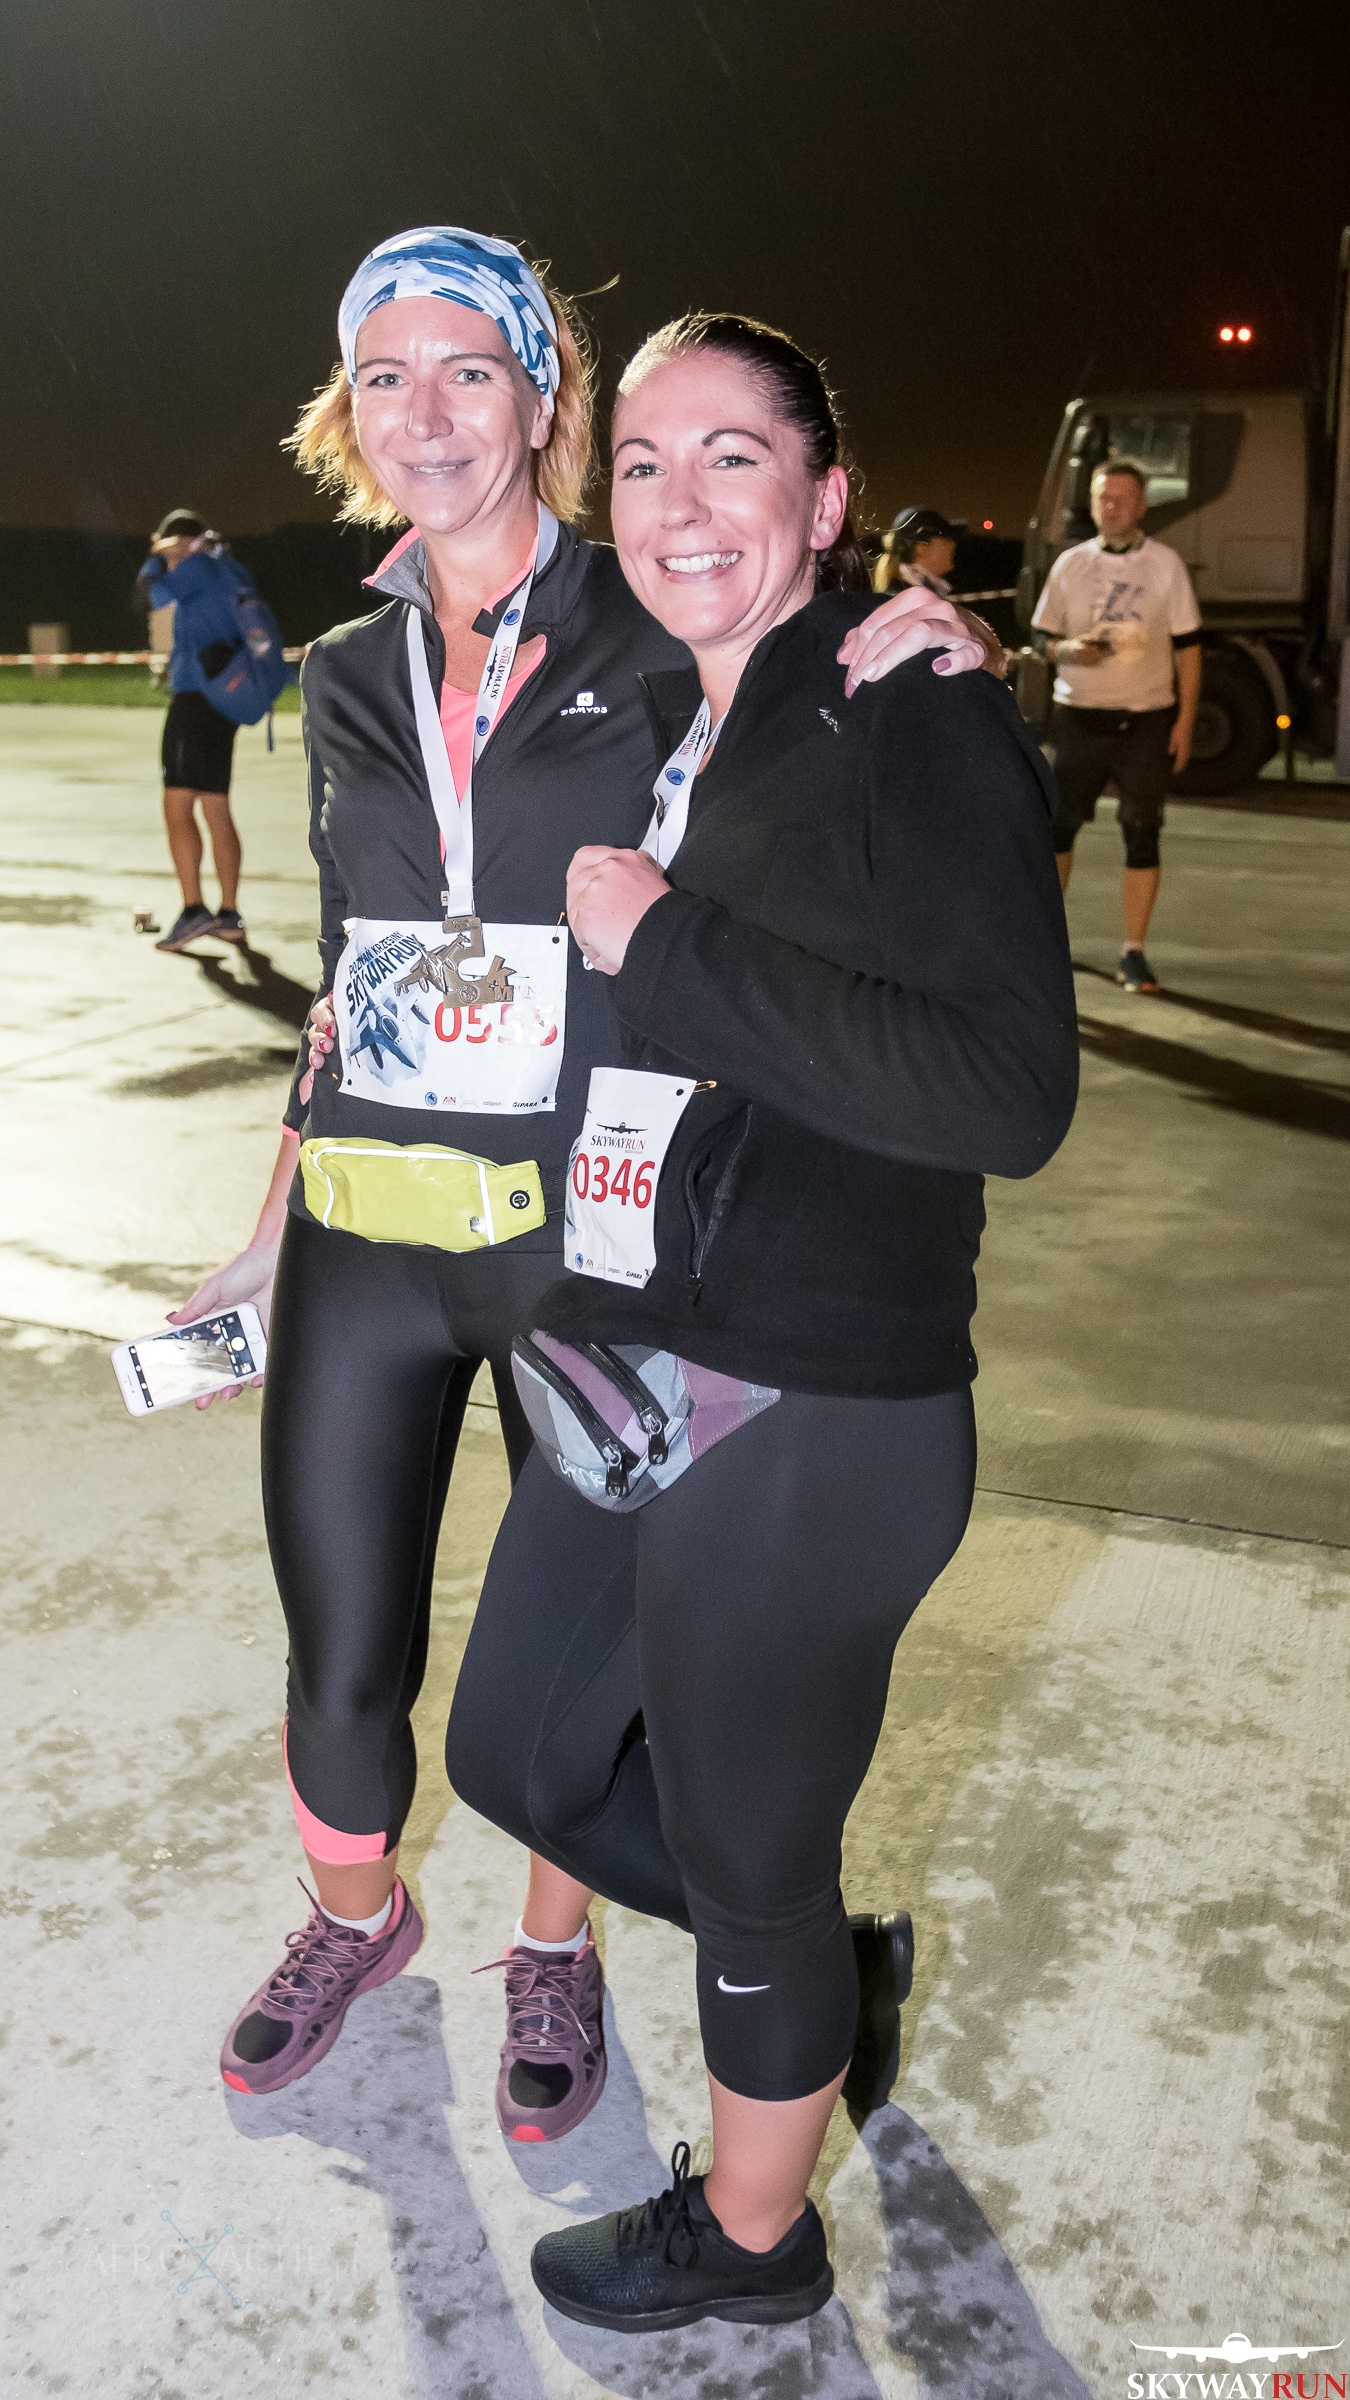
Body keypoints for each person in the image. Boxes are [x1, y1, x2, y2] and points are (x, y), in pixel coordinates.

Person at [167, 227, 994, 2112]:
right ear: (348, 415)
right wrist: (266, 1224)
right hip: (373, 1225)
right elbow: (348, 971)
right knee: (340, 1648)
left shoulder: (655, 614)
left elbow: (808, 693)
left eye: (471, 370)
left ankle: (554, 1954)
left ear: (542, 399)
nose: (427, 414)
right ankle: (355, 1916)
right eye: (387, 378)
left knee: (566, 1673)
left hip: (593, 1236)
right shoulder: (347, 669)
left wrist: (933, 641)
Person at [445, 312, 1078, 2333]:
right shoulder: (658, 712)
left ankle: (753, 2235)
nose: (680, 499)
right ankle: (818, 1974)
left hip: (815, 1398)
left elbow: (1010, 1092)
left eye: (736, 455)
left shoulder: (907, 713)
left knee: (747, 1853)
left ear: (825, 497)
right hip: (628, 1354)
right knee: (517, 1750)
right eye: (641, 461)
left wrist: (675, 946)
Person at [1030, 457, 1202, 993]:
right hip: (1078, 717)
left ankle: (1133, 951)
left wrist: (1185, 721)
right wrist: (1068, 650)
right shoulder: (1071, 564)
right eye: (1103, 497)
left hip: (1145, 719)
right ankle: (1045, 946)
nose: (1111, 507)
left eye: (1123, 498)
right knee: (1058, 829)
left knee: (1142, 832)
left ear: (1143, 505)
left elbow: (1189, 649)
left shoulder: (1165, 565)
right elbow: (1039, 637)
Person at [138, 510, 262, 952]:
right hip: (226, 698)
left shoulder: (193, 570)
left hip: (195, 698)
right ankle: (229, 914)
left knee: (177, 805)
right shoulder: (229, 569)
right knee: (216, 807)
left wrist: (158, 557)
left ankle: (194, 910)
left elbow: (149, 593)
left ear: (181, 543)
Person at [873, 503, 964, 597]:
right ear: (922, 547)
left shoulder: (910, 590)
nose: (953, 544)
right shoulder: (907, 597)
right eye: (947, 540)